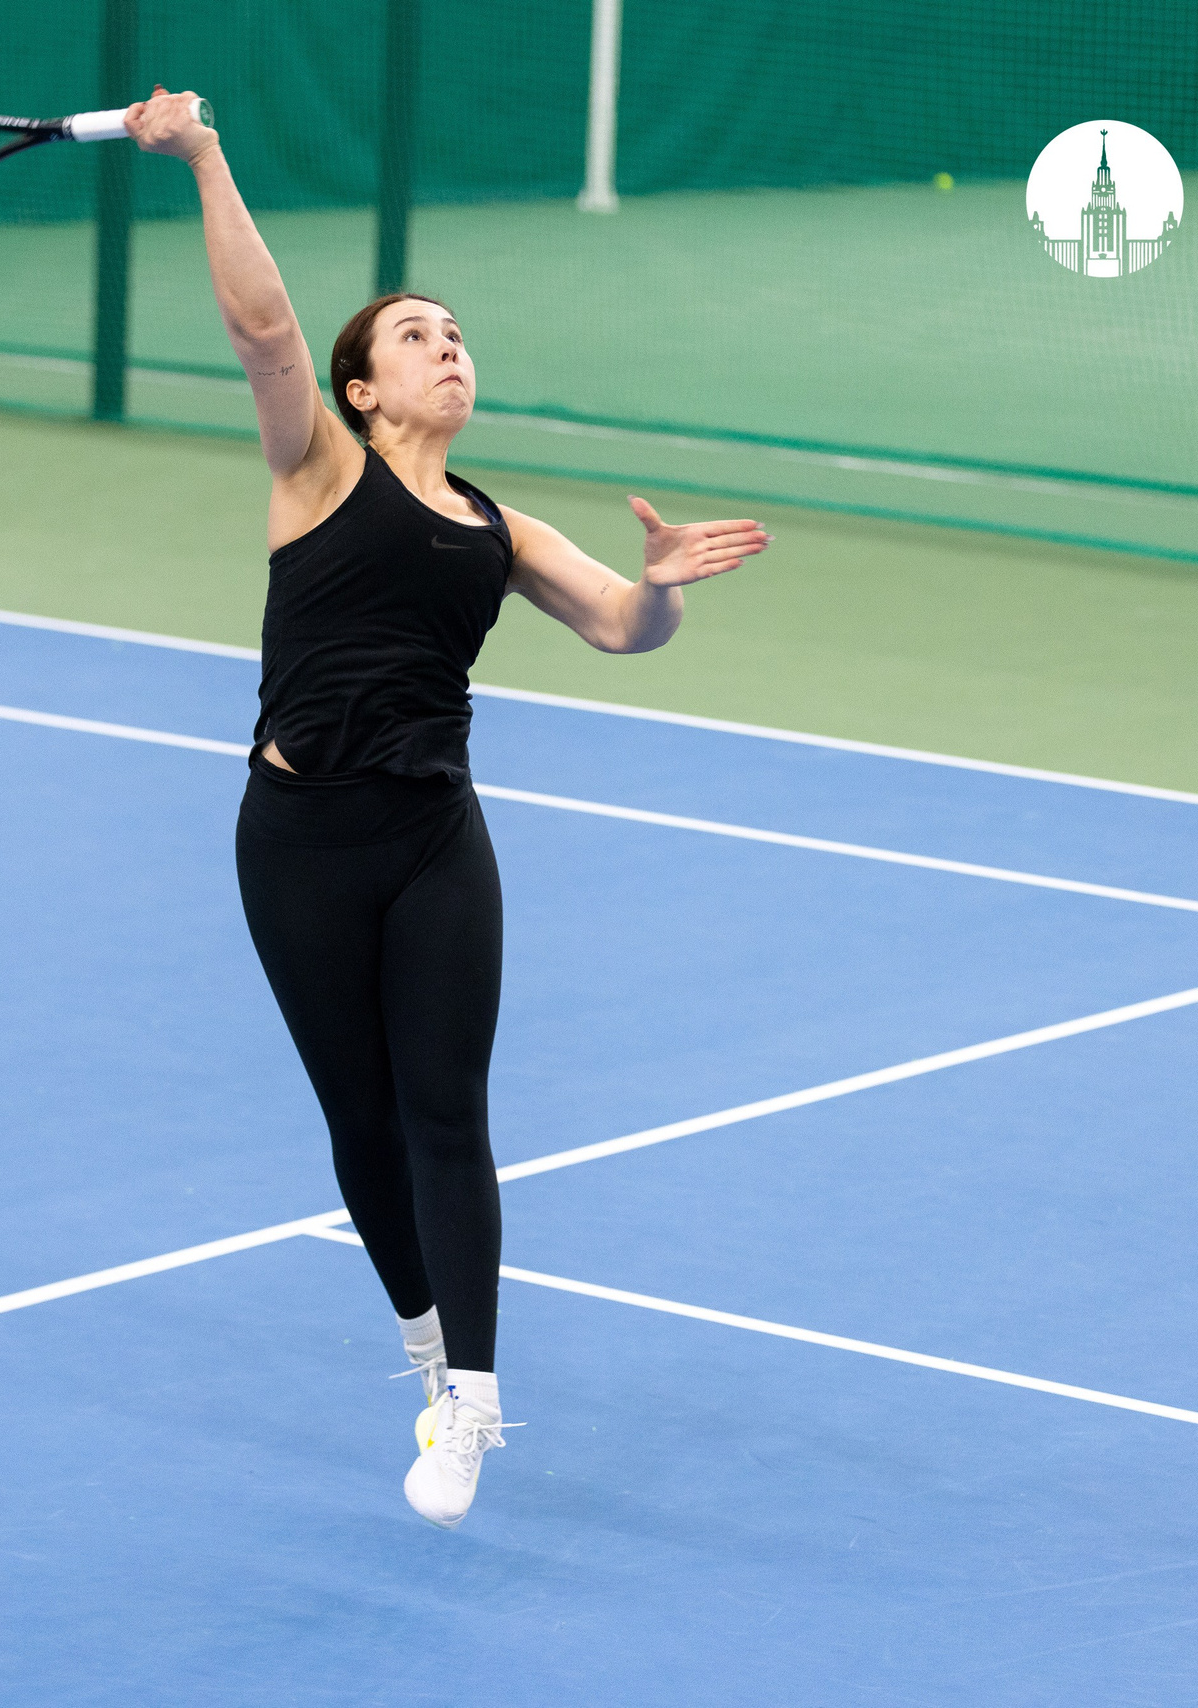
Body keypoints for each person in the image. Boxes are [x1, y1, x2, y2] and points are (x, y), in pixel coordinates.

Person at [125, 88, 770, 1529]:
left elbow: (620, 629)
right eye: (416, 334)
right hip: (294, 843)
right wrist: (210, 154)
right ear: (362, 388)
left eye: (457, 332)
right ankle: (421, 1336)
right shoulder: (315, 468)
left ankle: (470, 1396)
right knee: (355, 1119)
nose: (447, 346)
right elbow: (265, 332)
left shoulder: (497, 525)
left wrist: (659, 586)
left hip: (433, 840)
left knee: (443, 1113)